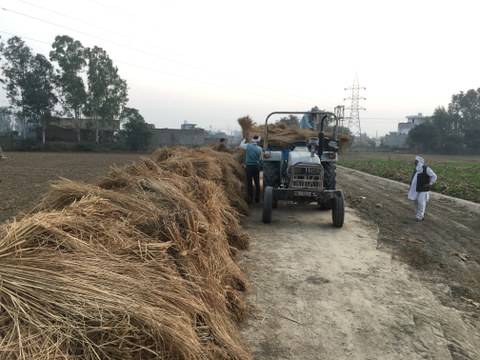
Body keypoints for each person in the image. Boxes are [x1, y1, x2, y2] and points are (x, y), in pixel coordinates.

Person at [408, 155, 437, 222]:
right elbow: (413, 179)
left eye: (416, 161)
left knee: (421, 202)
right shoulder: (416, 170)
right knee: (415, 201)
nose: (414, 162)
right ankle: (419, 215)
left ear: (419, 162)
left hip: (423, 189)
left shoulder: (426, 169)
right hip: (415, 189)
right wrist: (410, 187)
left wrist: (430, 184)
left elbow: (434, 176)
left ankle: (419, 216)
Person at [239, 135, 263, 203]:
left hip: (249, 167)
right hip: (256, 167)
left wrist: (244, 138)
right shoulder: (260, 149)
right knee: (257, 183)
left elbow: (240, 145)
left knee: (249, 183)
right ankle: (257, 199)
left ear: (252, 140)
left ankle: (250, 199)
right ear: (258, 141)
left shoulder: (248, 146)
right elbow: (261, 159)